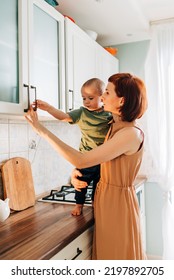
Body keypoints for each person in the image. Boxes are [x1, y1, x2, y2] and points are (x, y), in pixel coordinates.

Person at [25, 73, 147, 260]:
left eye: (107, 92)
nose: (102, 97)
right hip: (105, 200)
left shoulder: (130, 134)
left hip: (117, 207)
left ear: (121, 101)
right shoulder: (114, 127)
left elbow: (82, 160)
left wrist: (41, 130)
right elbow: (98, 162)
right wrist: (75, 173)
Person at [34, 78, 112, 216]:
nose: (86, 101)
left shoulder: (109, 114)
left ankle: (95, 204)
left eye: (90, 98)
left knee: (98, 188)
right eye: (83, 98)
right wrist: (49, 108)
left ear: (102, 97)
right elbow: (64, 117)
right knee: (80, 183)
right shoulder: (82, 113)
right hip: (86, 158)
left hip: (104, 160)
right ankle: (79, 205)